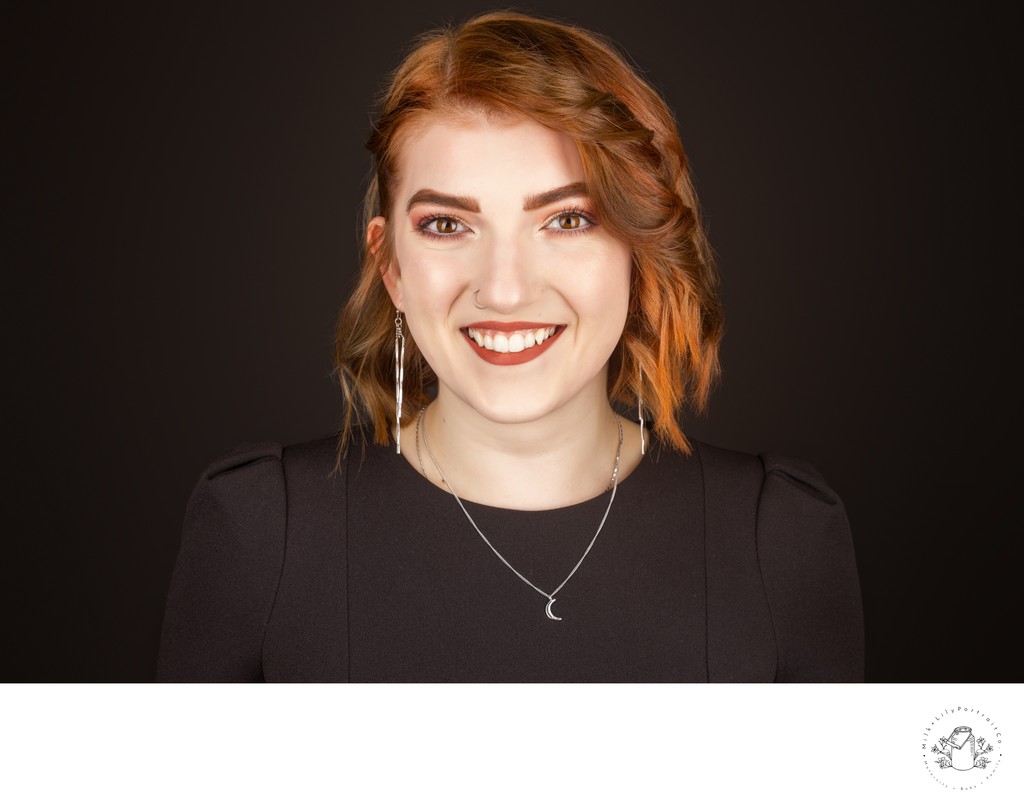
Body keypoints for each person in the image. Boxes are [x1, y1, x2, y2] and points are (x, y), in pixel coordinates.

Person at [156, 11, 864, 682]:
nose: (503, 289)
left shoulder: (784, 539)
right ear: (390, 266)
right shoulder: (256, 535)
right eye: (446, 225)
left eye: (567, 219)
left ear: (639, 250)